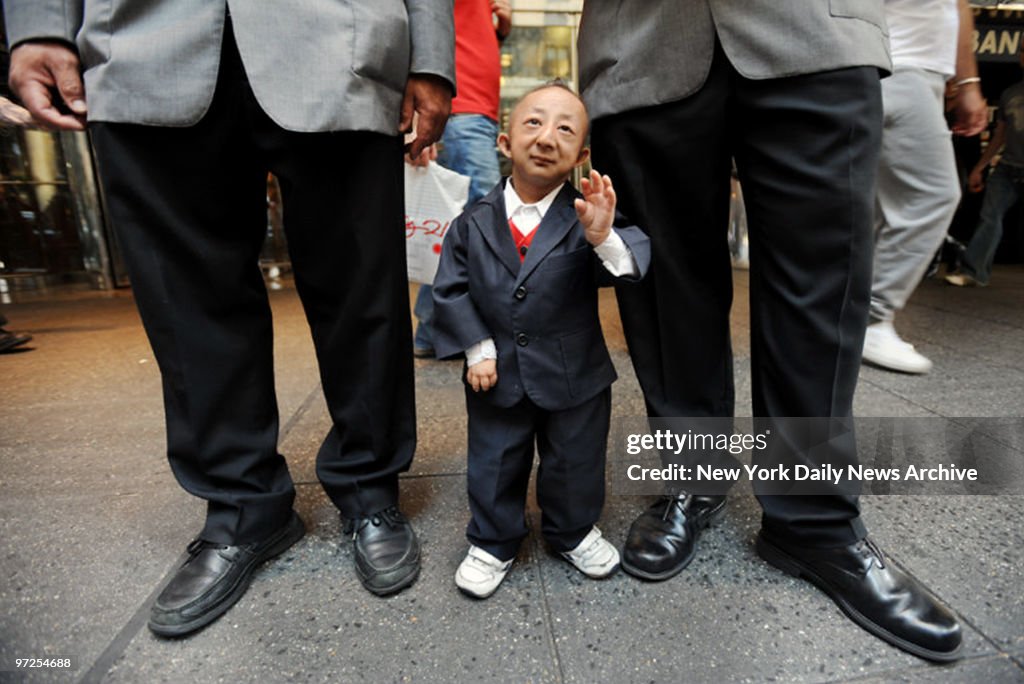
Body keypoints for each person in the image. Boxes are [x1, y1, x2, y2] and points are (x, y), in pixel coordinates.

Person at [5, 1, 453, 636]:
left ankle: (370, 486)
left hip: (341, 36)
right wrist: (40, 25)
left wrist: (431, 55)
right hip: (144, 43)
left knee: (361, 290)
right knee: (187, 301)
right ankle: (243, 505)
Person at [578, 1, 962, 662]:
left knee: (820, 282)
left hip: (817, 25)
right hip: (642, 33)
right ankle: (692, 472)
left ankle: (810, 515)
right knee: (666, 283)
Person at [431, 84, 651, 598]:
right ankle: (493, 538)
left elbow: (632, 262)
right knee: (494, 459)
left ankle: (572, 530)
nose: (547, 136)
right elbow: (451, 289)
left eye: (566, 129)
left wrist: (603, 237)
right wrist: (477, 348)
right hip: (497, 372)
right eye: (533, 123)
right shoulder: (471, 222)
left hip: (576, 373)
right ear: (505, 142)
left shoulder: (587, 213)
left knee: (577, 460)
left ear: (582, 155)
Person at [862, 0, 986, 374]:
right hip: (902, 65)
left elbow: (956, 6)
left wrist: (964, 81)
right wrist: (968, 83)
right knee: (931, 194)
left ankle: (851, 315)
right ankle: (869, 317)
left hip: (907, 66)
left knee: (887, 207)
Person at [413, 0, 511, 359]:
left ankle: (430, 328)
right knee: (487, 223)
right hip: (462, 110)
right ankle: (480, 330)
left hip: (477, 112)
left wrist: (501, 27)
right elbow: (421, 24)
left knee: (460, 227)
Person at [947, 42, 1024, 288]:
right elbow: (999, 135)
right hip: (1008, 168)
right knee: (989, 217)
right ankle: (974, 271)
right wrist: (981, 167)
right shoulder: (1010, 93)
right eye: (1023, 51)